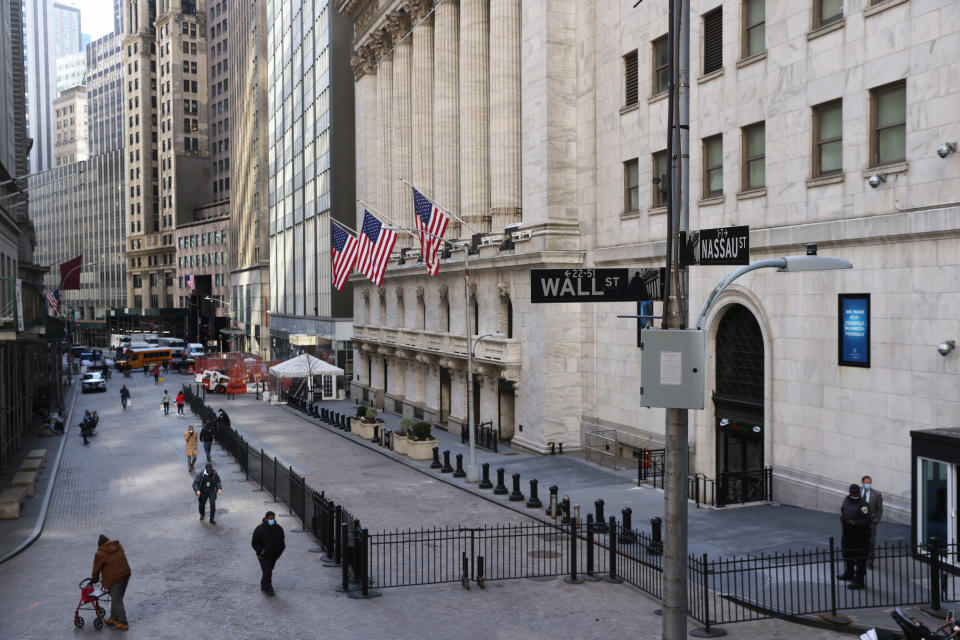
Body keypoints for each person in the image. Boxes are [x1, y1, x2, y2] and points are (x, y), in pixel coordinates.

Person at [91, 534, 132, 630]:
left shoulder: (100, 554)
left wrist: (94, 580)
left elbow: (96, 570)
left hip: (114, 579)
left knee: (117, 600)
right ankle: (113, 618)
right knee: (116, 598)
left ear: (100, 545)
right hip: (125, 574)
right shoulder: (118, 546)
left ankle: (123, 622)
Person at [839, 483, 871, 589]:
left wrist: (854, 523)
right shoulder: (847, 500)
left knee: (860, 559)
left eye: (856, 493)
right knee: (847, 554)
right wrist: (844, 519)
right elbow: (843, 510)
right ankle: (849, 573)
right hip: (847, 533)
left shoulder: (863, 505)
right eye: (853, 492)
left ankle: (859, 580)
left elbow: (867, 520)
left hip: (860, 535)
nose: (854, 494)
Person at [251, 511, 285, 596]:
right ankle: (269, 588)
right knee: (268, 571)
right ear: (266, 518)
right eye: (270, 518)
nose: (272, 520)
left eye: (273, 518)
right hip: (263, 556)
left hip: (273, 556)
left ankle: (263, 585)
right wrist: (261, 551)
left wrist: (279, 554)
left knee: (268, 571)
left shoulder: (278, 528)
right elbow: (254, 543)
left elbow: (282, 542)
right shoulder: (259, 529)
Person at [861, 475, 883, 569]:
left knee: (871, 542)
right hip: (859, 521)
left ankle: (870, 561)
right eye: (867, 483)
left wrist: (875, 521)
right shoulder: (857, 492)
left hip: (871, 522)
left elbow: (880, 509)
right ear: (863, 483)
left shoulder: (877, 494)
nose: (868, 484)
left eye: (870, 482)